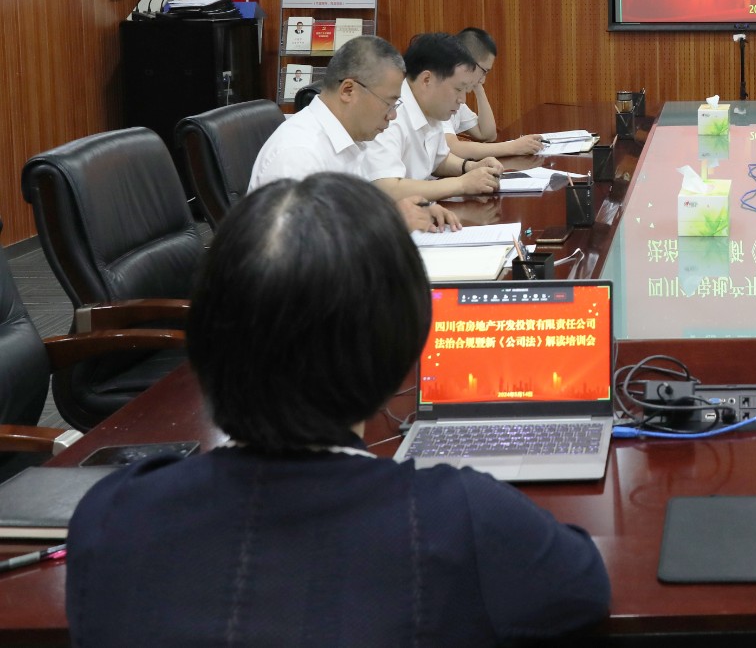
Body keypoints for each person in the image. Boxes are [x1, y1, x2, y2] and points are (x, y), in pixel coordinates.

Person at [66, 174, 610, 645]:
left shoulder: (111, 517)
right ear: (403, 346)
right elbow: (583, 588)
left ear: (205, 341)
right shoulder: (464, 520)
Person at [248, 35, 458, 232]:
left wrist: (408, 210)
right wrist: (391, 221)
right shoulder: (300, 154)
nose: (393, 115)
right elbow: (297, 246)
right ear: (348, 91)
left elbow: (348, 215)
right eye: (389, 103)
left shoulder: (353, 138)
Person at [368, 32, 505, 202]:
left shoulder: (431, 108)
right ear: (427, 80)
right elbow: (388, 189)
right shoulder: (390, 113)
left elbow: (438, 160)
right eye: (458, 89)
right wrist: (462, 184)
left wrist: (471, 166)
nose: (462, 100)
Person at [445, 27, 543, 163]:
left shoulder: (457, 95)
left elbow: (487, 134)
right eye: (484, 71)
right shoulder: (442, 94)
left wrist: (478, 86)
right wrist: (513, 147)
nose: (484, 79)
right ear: (469, 63)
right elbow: (453, 148)